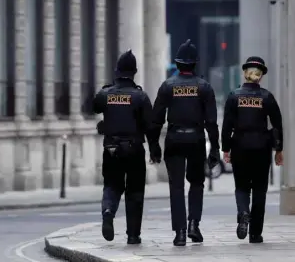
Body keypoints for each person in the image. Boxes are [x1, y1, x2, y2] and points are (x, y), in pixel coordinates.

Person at [151, 39, 220, 246]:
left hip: (174, 139)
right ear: (195, 64)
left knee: (176, 186)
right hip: (196, 139)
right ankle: (193, 225)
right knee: (197, 183)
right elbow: (212, 122)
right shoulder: (204, 87)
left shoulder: (167, 86)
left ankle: (180, 232)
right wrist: (215, 148)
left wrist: (154, 145)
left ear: (178, 64)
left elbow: (156, 120)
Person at [92, 50, 162, 245]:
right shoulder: (140, 96)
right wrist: (155, 150)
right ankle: (133, 235)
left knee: (111, 185)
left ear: (117, 71)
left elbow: (94, 105)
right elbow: (150, 127)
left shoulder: (106, 93)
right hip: (134, 150)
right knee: (135, 192)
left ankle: (108, 211)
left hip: (111, 148)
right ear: (135, 72)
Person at [221, 56, 284, 244]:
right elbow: (278, 125)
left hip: (239, 145)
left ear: (245, 73)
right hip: (262, 147)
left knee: (241, 186)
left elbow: (226, 126)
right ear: (260, 76)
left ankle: (243, 212)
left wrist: (225, 149)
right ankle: (255, 233)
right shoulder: (267, 97)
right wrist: (278, 149)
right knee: (259, 189)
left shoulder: (234, 96)